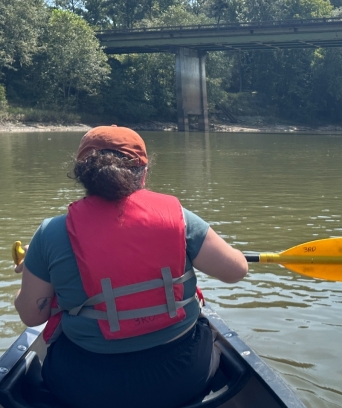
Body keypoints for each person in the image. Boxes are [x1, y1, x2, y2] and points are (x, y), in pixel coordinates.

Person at [13, 125, 248, 408]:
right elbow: (237, 271)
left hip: (88, 388)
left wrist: (34, 266)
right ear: (144, 173)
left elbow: (32, 316)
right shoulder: (179, 219)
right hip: (182, 379)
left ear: (81, 174)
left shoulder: (49, 234)